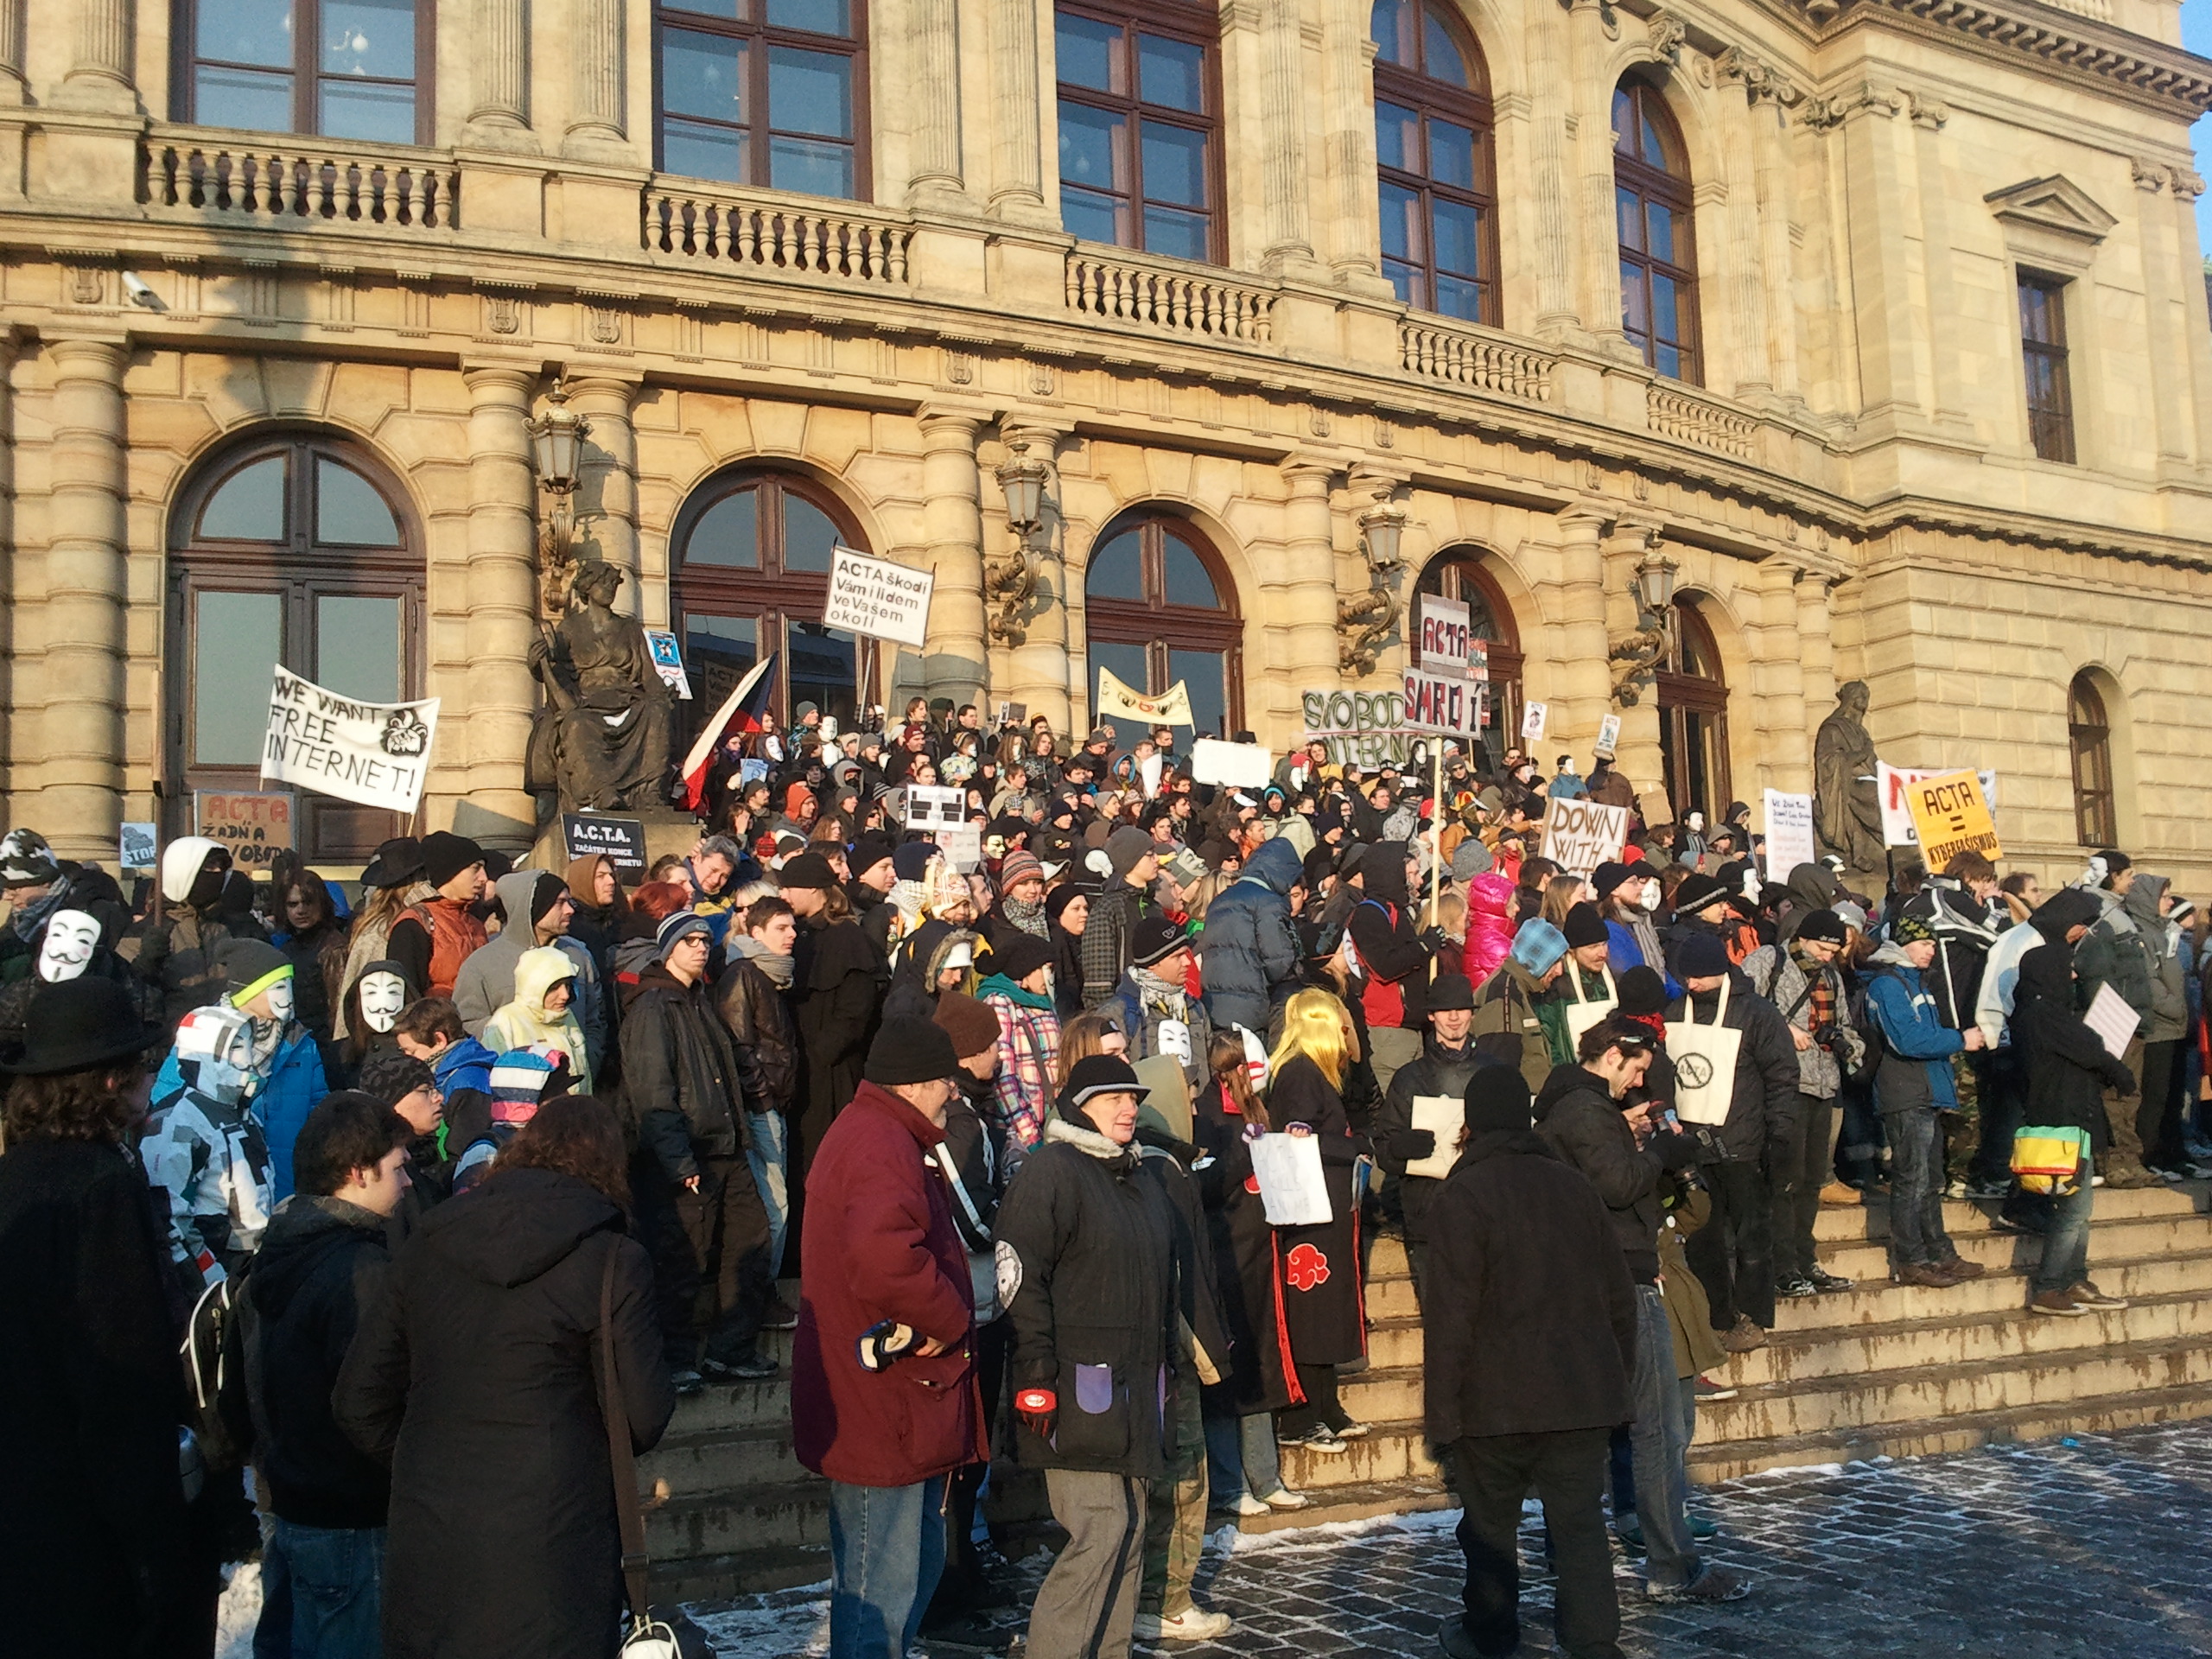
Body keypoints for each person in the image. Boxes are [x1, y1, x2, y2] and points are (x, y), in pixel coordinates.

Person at [334, 1096, 677, 1659]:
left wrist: (426, 1461)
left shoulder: (429, 1240)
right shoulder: (613, 1259)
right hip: (557, 1537)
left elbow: (358, 1398)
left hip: (435, 1537)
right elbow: (644, 1414)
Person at [0, 976, 194, 1656]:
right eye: (143, 1065)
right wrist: (158, 1542)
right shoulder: (100, 1186)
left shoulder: (19, 1170)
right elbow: (122, 1378)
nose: (151, 1078)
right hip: (83, 1511)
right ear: (112, 1082)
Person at [996, 1056, 1207, 1659]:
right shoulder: (1053, 1172)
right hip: (1075, 1388)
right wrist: (1036, 1373)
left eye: (1133, 1097)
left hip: (1137, 1389)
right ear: (1080, 1103)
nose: (1128, 1107)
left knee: (1132, 1528)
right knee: (1101, 1528)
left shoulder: (1136, 1176)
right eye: (1112, 1097)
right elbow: (1019, 1277)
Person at [1424, 1065, 1637, 1659]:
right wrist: (1618, 1382)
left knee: (1491, 1530)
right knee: (1580, 1528)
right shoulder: (1574, 1187)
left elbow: (1449, 1319)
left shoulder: (1462, 1195)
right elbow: (1621, 1301)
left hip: (1494, 1402)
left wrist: (1441, 1417)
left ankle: (1490, 1635)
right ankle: (1594, 1642)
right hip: (1579, 1394)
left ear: (1471, 1123)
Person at [791, 1017, 985, 1659]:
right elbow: (884, 1261)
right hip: (887, 1400)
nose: (952, 1095)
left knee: (889, 1578)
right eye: (945, 1083)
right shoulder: (881, 1144)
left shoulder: (873, 1132)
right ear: (916, 1083)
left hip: (887, 1396)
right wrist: (951, 1317)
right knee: (881, 1586)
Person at [1534, 1020, 1743, 1605]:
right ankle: (1673, 1565)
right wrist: (1660, 1150)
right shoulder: (1584, 1109)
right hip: (1621, 1281)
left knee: (1587, 1429)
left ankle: (1567, 1550)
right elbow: (1619, 1183)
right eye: (1637, 1066)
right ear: (1610, 1058)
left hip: (1591, 1277)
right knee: (1656, 1428)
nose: (1641, 1077)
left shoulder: (1571, 1108)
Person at [246, 1091, 412, 1659]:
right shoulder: (359, 1270)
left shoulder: (284, 1247)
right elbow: (369, 1397)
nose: (407, 1182)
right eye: (397, 1168)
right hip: (351, 1516)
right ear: (356, 1173)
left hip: (296, 1504)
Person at [624, 910, 774, 1388]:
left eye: (703, 939)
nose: (698, 947)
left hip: (726, 1149)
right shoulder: (652, 1008)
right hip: (688, 1156)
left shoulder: (697, 1001)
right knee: (683, 1260)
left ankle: (729, 1351)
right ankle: (677, 1359)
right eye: (687, 940)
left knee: (750, 1243)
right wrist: (677, 1160)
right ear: (667, 949)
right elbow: (653, 1093)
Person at [1668, 932, 1800, 1352]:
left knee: (1752, 1237)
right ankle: (1716, 1317)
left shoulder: (1757, 1013)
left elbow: (1782, 1075)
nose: (1693, 985)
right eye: (1687, 977)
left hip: (1744, 1143)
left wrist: (1779, 1134)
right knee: (1703, 1239)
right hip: (1692, 1146)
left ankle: (1754, 1316)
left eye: (1701, 977)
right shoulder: (1673, 1010)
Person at [2009, 891, 2138, 1316]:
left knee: (2079, 1208)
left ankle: (2075, 1279)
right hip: (2062, 1120)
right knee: (2072, 1210)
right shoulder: (2045, 1015)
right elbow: (2090, 1047)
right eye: (2066, 971)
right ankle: (2050, 1285)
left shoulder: (2036, 1012)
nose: (2074, 978)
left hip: (2071, 1115)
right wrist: (2117, 1071)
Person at [1267, 988, 1372, 1453]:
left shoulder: (1316, 1075)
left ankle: (1327, 1404)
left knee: (1329, 1308)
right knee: (1312, 1310)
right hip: (1309, 1212)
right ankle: (1301, 1414)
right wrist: (1355, 1146)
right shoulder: (1299, 1075)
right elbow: (1297, 1140)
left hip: (1330, 1206)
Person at [1741, 909, 1863, 1300]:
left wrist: (1849, 1046)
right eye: (1822, 946)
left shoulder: (1830, 975)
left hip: (1824, 1084)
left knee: (1812, 1180)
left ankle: (1805, 1258)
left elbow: (1843, 1022)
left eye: (1834, 949)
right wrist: (1783, 1029)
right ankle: (1782, 1265)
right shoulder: (1768, 961)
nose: (1828, 955)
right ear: (1804, 938)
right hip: (1782, 1086)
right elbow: (1741, 1007)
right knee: (1784, 1180)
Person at [1863, 914, 1988, 1287]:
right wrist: (1960, 1040)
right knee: (1911, 1179)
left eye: (1933, 944)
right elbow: (1909, 1041)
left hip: (1926, 1094)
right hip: (1905, 1094)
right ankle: (1911, 1258)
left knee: (1931, 1179)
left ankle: (1940, 1252)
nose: (1930, 951)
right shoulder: (1888, 985)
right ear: (1902, 945)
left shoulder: (1916, 983)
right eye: (1923, 944)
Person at [782, 852, 884, 1262]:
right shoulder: (799, 934)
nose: (784, 894)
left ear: (813, 890)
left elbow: (856, 1010)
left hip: (834, 1071)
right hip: (802, 1068)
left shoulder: (847, 938)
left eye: (790, 887)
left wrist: (821, 1053)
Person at [1371, 973, 1488, 1307]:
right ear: (1432, 1016)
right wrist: (1400, 1148)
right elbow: (1384, 1148)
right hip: (1429, 1212)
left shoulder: (1492, 1073)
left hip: (1483, 1209)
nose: (1454, 1017)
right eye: (1446, 1009)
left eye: (1462, 1009)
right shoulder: (1409, 1078)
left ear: (1472, 1014)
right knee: (1439, 1314)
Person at [718, 893, 802, 1291]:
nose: (792, 935)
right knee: (774, 1202)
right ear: (756, 933)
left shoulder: (774, 974)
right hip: (760, 1107)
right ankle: (761, 1292)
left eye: (793, 927)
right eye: (781, 929)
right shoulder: (744, 975)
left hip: (774, 1103)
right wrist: (764, 1096)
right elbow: (739, 1045)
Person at [453, 868, 607, 1080]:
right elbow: (467, 1024)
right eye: (560, 902)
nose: (570, 910)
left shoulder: (578, 954)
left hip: (575, 1088)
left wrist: (587, 1058)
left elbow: (595, 1018)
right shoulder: (482, 964)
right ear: (533, 907)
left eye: (569, 901)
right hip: (512, 1094)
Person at [1346, 839, 1439, 1094]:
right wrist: (1423, 947)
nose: (1419, 881)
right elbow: (1384, 965)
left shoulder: (1400, 911)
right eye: (1412, 874)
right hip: (1389, 1028)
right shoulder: (1369, 914)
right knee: (1401, 1109)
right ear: (1392, 874)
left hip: (1412, 1025)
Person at [1197, 838, 1303, 1039]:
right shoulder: (1268, 901)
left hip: (1215, 1008)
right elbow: (1278, 960)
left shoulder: (1220, 901)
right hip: (1253, 1010)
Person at [976, 930, 1063, 1163]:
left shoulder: (1045, 1002)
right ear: (1026, 969)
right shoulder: (1000, 1002)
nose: (1050, 977)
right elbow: (1003, 1075)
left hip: (1050, 1122)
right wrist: (1030, 1136)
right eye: (1046, 969)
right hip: (1015, 1133)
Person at [1103, 915, 1211, 1100]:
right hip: (1147, 1117)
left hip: (1197, 1115)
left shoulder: (1195, 1007)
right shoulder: (1120, 1012)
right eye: (1177, 956)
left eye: (1187, 954)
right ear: (1153, 963)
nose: (1187, 963)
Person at [137, 835, 238, 1027]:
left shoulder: (232, 928)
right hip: (171, 1045)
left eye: (221, 868)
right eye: (209, 866)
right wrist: (145, 965)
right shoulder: (148, 931)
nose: (217, 873)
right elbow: (128, 993)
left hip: (228, 1044)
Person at [481, 942, 596, 1096]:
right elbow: (497, 1087)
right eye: (554, 987)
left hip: (575, 1114)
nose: (565, 995)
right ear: (535, 986)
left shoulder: (566, 1016)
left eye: (568, 985)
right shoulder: (506, 1022)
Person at [385, 832, 489, 1001]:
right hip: (435, 1024)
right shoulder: (415, 923)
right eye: (475, 868)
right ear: (451, 871)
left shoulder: (476, 924)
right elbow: (406, 994)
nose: (484, 878)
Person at [1471, 918, 1570, 1091]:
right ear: (1536, 959)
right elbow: (1499, 1068)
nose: (1560, 971)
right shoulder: (1504, 994)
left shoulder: (1520, 989)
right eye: (1554, 962)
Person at [1083, 828, 1160, 1007]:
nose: (1156, 860)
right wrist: (1109, 1019)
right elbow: (1098, 981)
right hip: (1124, 1012)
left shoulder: (1153, 905)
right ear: (1130, 861)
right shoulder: (1108, 907)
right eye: (1150, 855)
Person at [1047, 884, 1091, 1018]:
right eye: (1076, 909)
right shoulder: (1056, 946)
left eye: (1085, 908)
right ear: (1059, 913)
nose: (1084, 914)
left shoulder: (1089, 942)